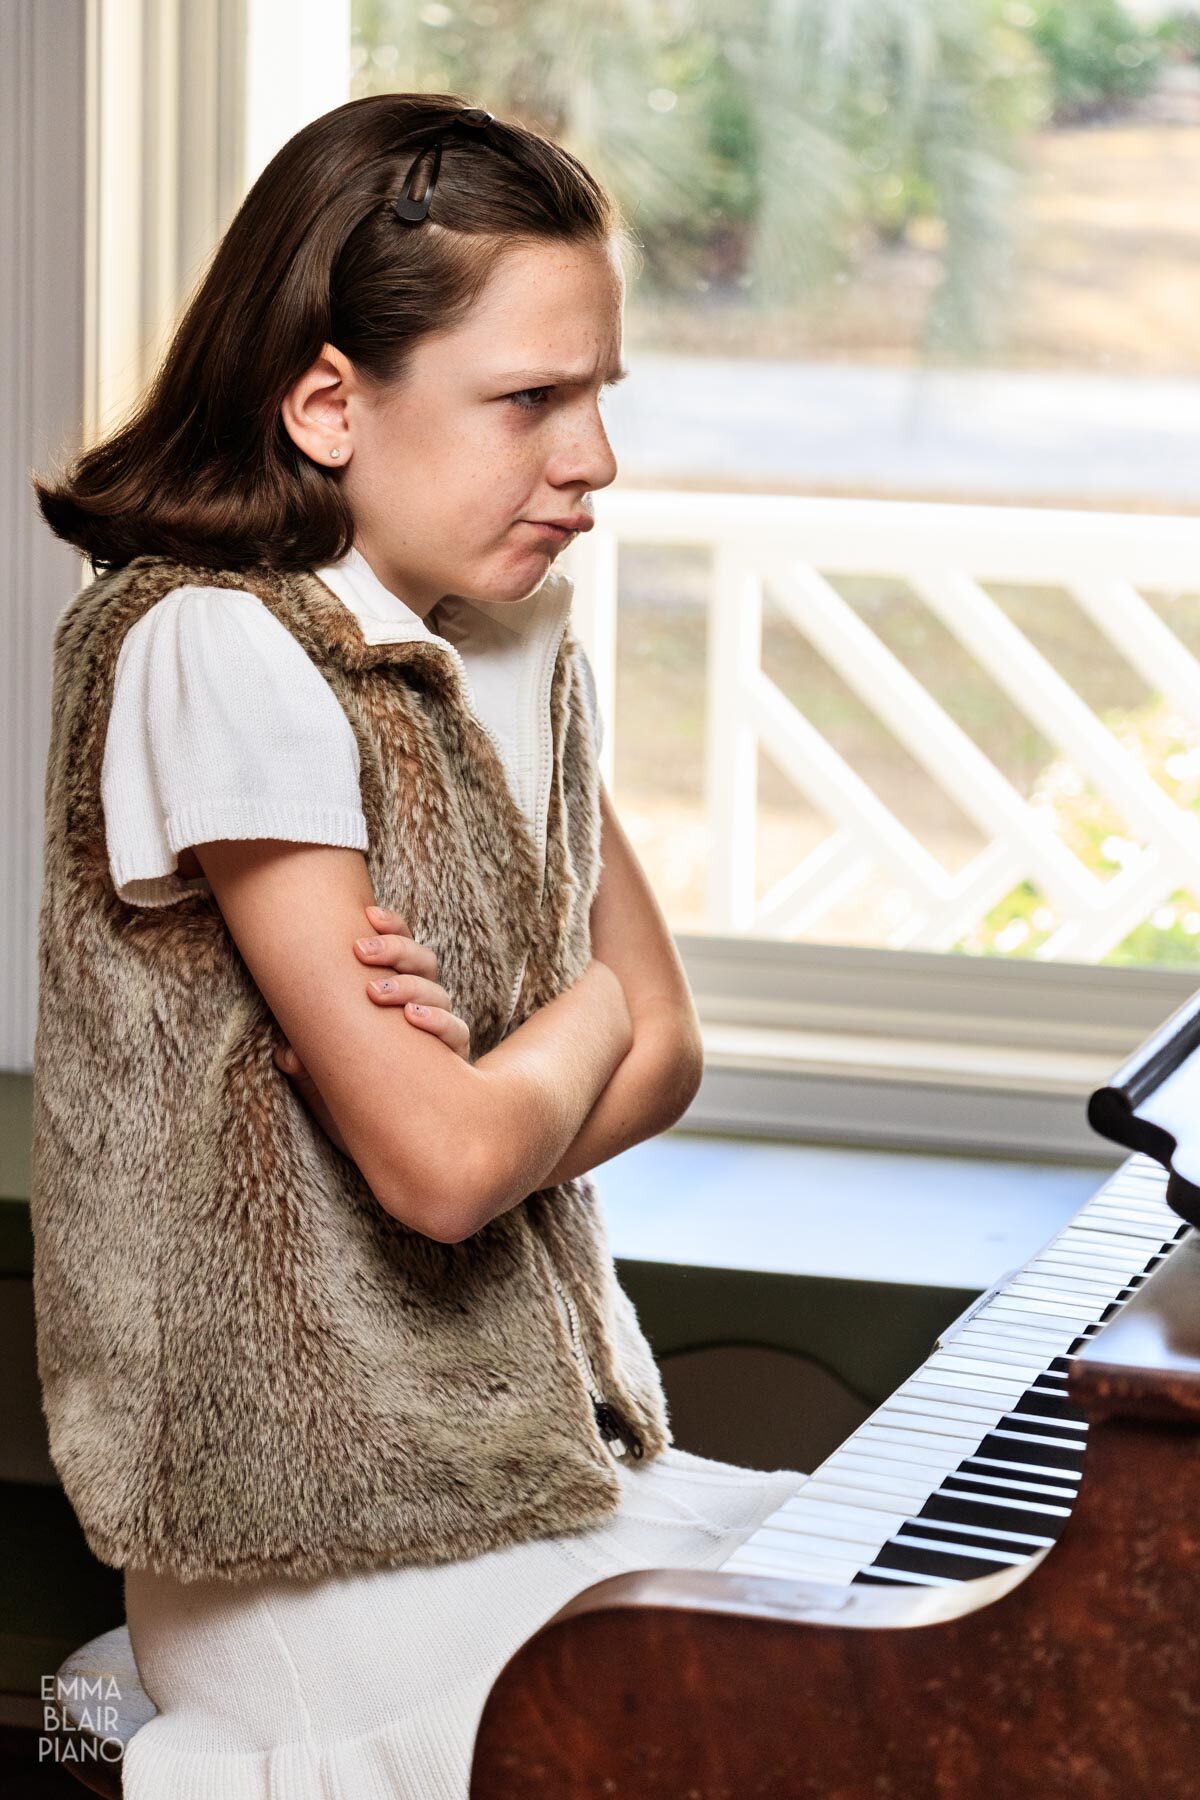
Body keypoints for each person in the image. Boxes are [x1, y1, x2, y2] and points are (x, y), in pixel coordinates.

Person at [30, 91, 808, 1798]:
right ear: (326, 400)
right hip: (329, 1541)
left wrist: (524, 1062)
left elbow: (668, 1053)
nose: (591, 455)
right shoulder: (207, 648)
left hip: (539, 1469)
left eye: (598, 394)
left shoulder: (509, 641)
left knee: (874, 1643)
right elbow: (454, 1167)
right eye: (529, 397)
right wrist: (580, 1023)